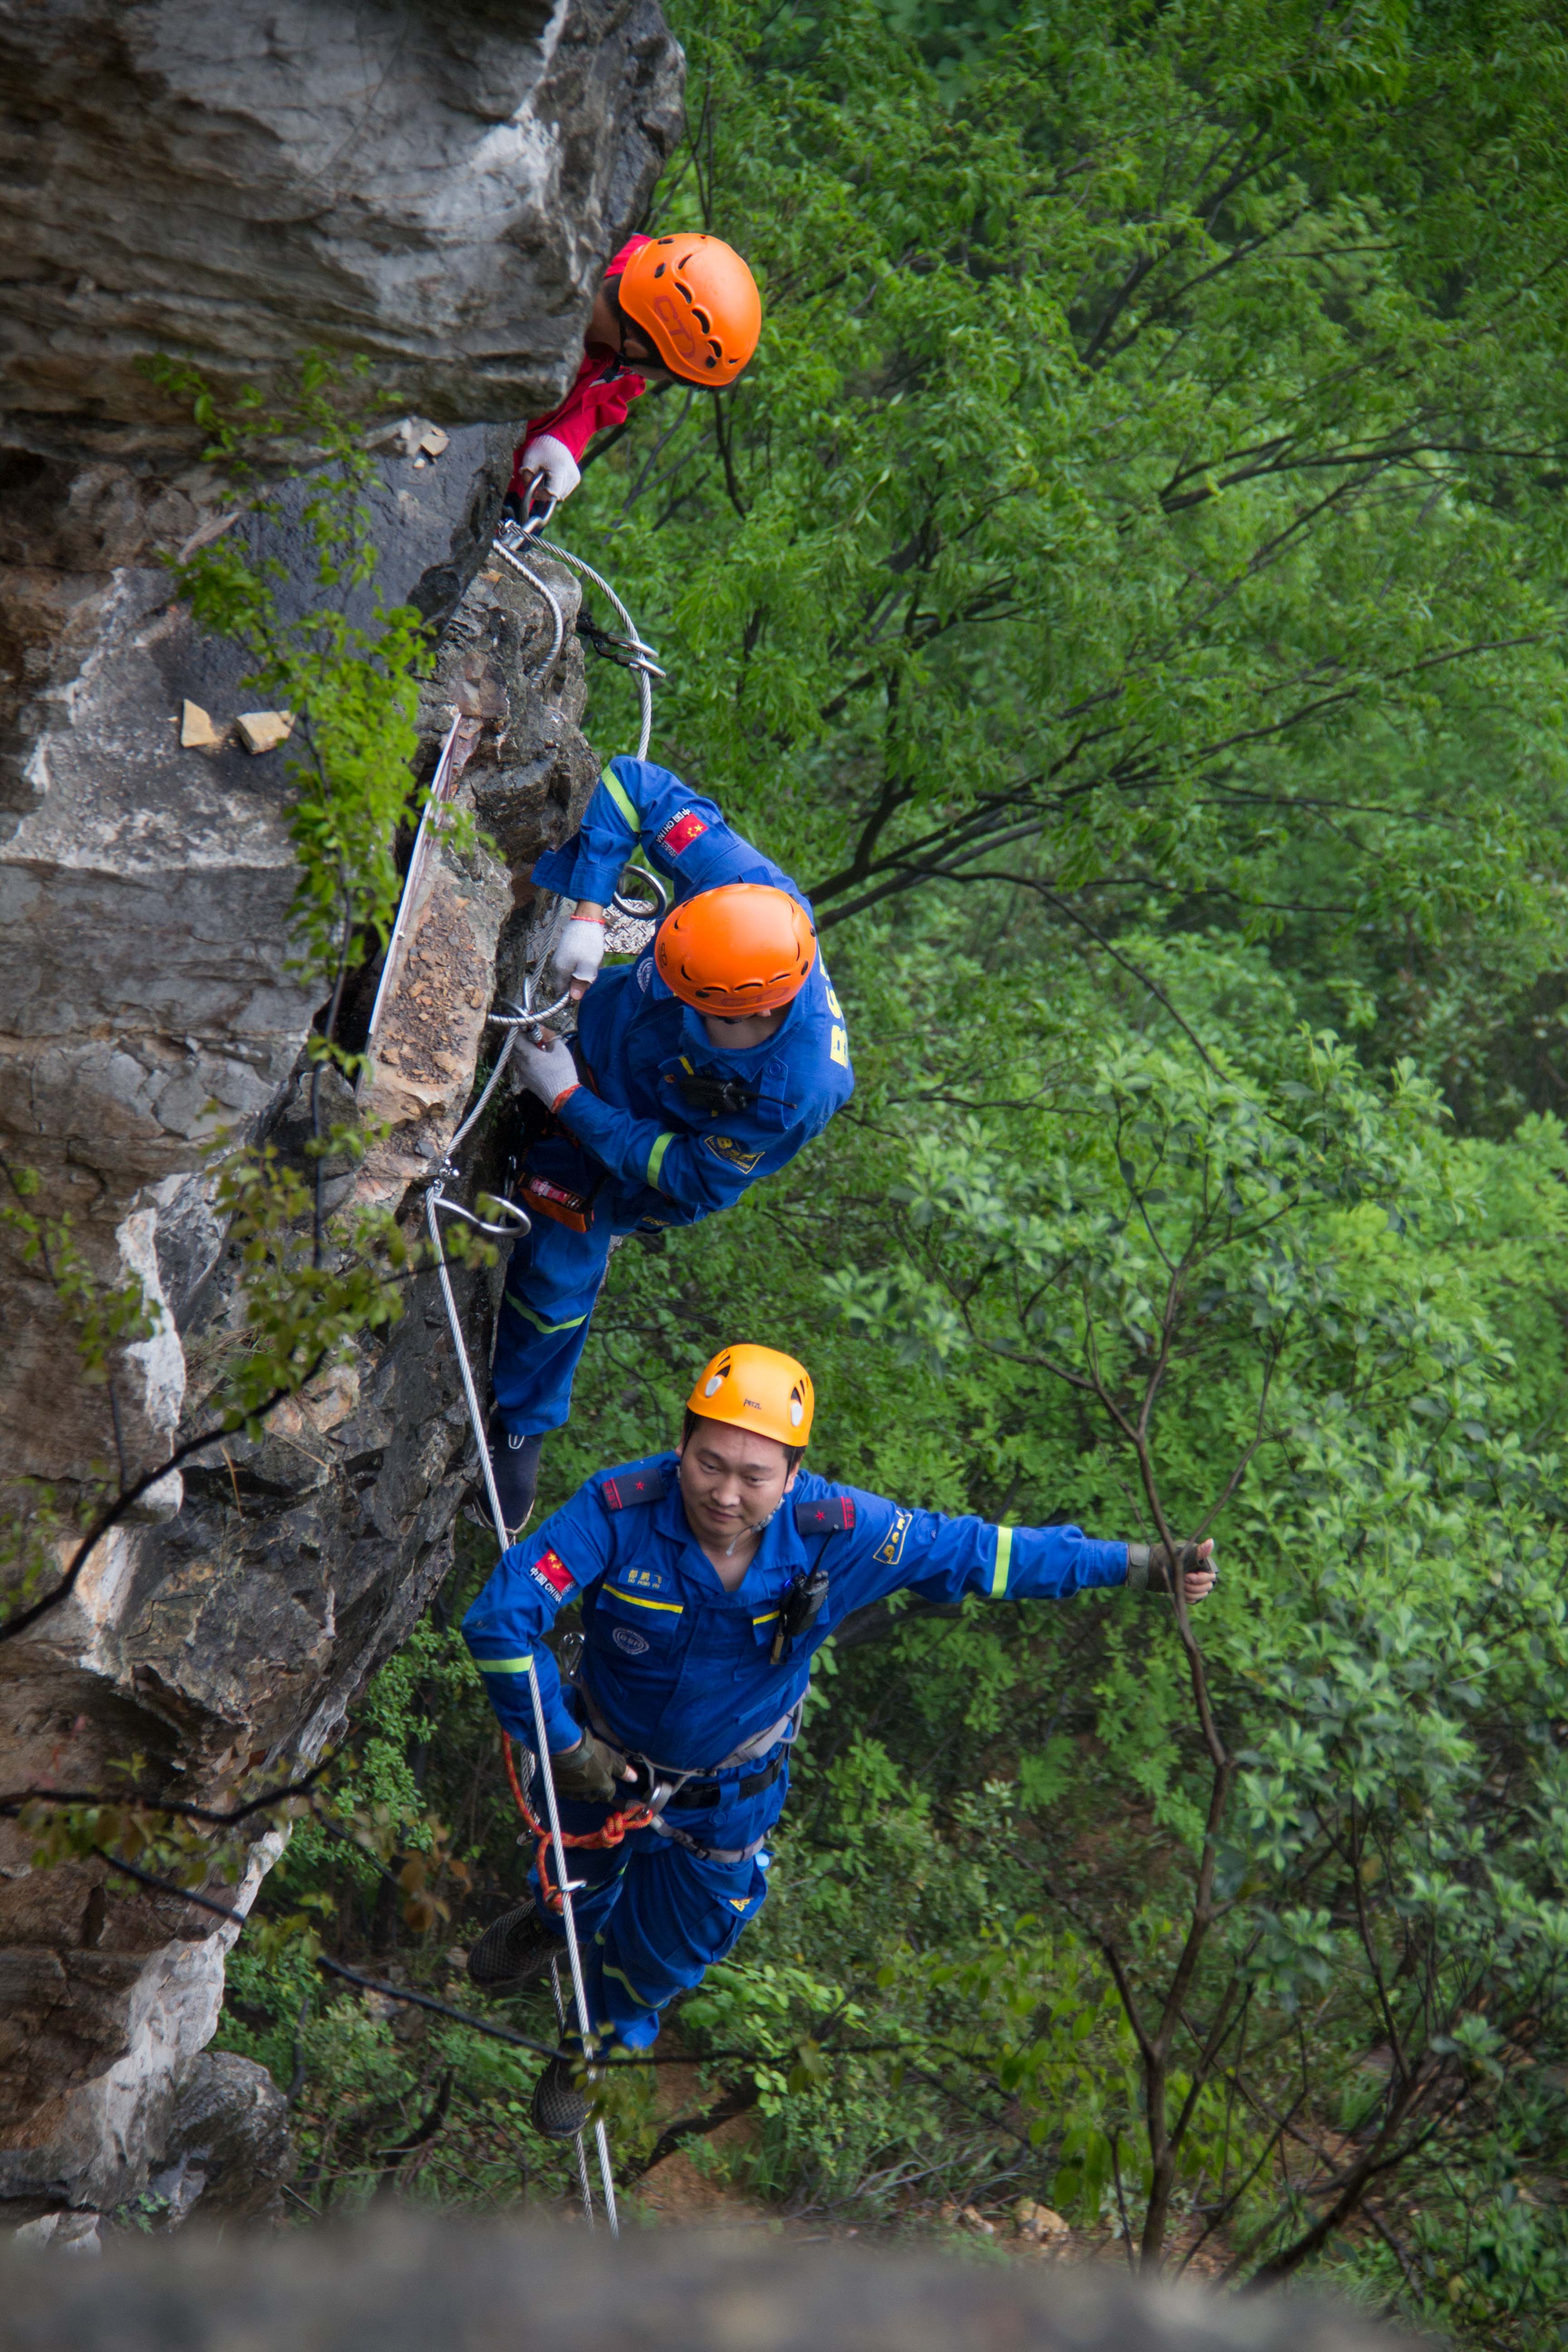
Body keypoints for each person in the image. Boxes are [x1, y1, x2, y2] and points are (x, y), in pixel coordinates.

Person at [461, 1343, 1219, 2140]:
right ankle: (555, 1921)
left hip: (722, 1801)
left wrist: (1138, 1564)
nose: (724, 1493)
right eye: (708, 1462)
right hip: (598, 1762)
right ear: (680, 1443)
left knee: (661, 1954)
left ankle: (595, 2041)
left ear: (794, 1474)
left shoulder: (844, 1532)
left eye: (754, 1476)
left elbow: (985, 1554)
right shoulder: (619, 1511)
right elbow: (501, 1617)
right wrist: (565, 1741)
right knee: (573, 1874)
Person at [483, 760, 856, 1535]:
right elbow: (633, 785)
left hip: (631, 1145)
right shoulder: (748, 894)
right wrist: (589, 910)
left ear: (752, 1012)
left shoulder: (795, 1087)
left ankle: (523, 1419)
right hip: (599, 1025)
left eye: (698, 1008)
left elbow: (690, 1176)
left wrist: (567, 1100)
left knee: (555, 1280)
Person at [505, 232, 761, 521]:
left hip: (518, 482)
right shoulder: (538, 303)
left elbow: (607, 397)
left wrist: (563, 440)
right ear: (635, 350)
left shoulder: (652, 281)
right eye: (667, 376)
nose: (653, 381)